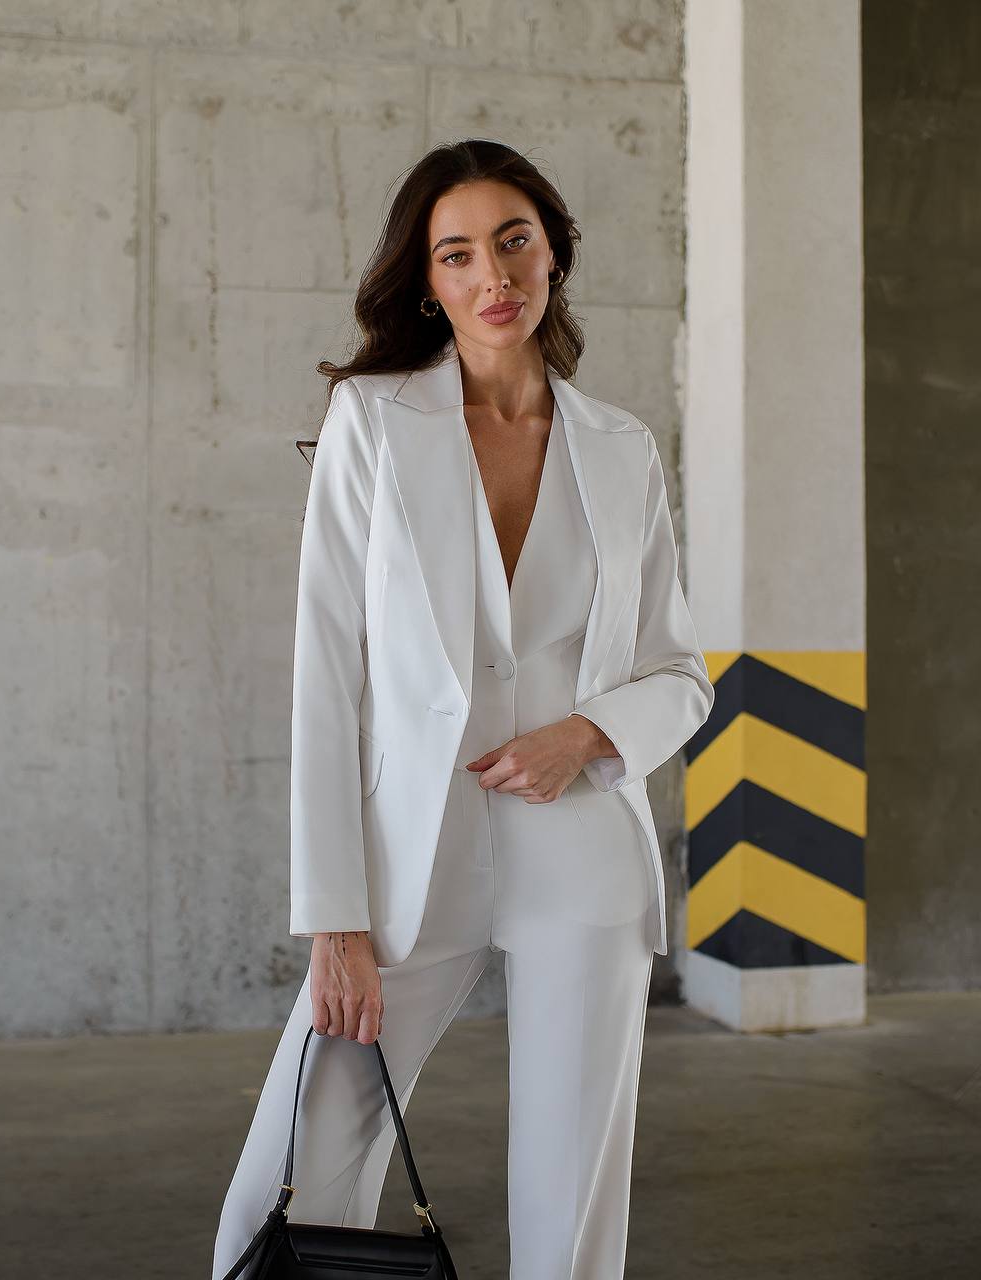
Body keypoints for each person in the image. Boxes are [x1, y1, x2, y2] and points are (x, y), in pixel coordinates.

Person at [212, 138, 714, 1280]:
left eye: (513, 238)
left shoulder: (622, 448)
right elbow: (326, 674)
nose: (492, 270)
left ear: (553, 251)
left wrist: (587, 733)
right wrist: (334, 916)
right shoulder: (375, 423)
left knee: (571, 1195)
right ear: (428, 282)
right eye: (458, 252)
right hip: (406, 858)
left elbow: (679, 673)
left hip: (580, 844)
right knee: (295, 1165)